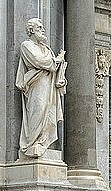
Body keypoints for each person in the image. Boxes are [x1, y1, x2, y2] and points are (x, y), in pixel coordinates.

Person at [16, 18, 67, 158]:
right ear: (31, 30)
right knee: (38, 110)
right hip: (36, 84)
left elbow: (50, 65)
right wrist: (56, 60)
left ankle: (43, 141)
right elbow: (37, 60)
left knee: (49, 113)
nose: (43, 30)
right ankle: (32, 142)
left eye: (43, 27)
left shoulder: (46, 48)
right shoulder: (26, 45)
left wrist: (59, 63)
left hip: (49, 84)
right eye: (39, 27)